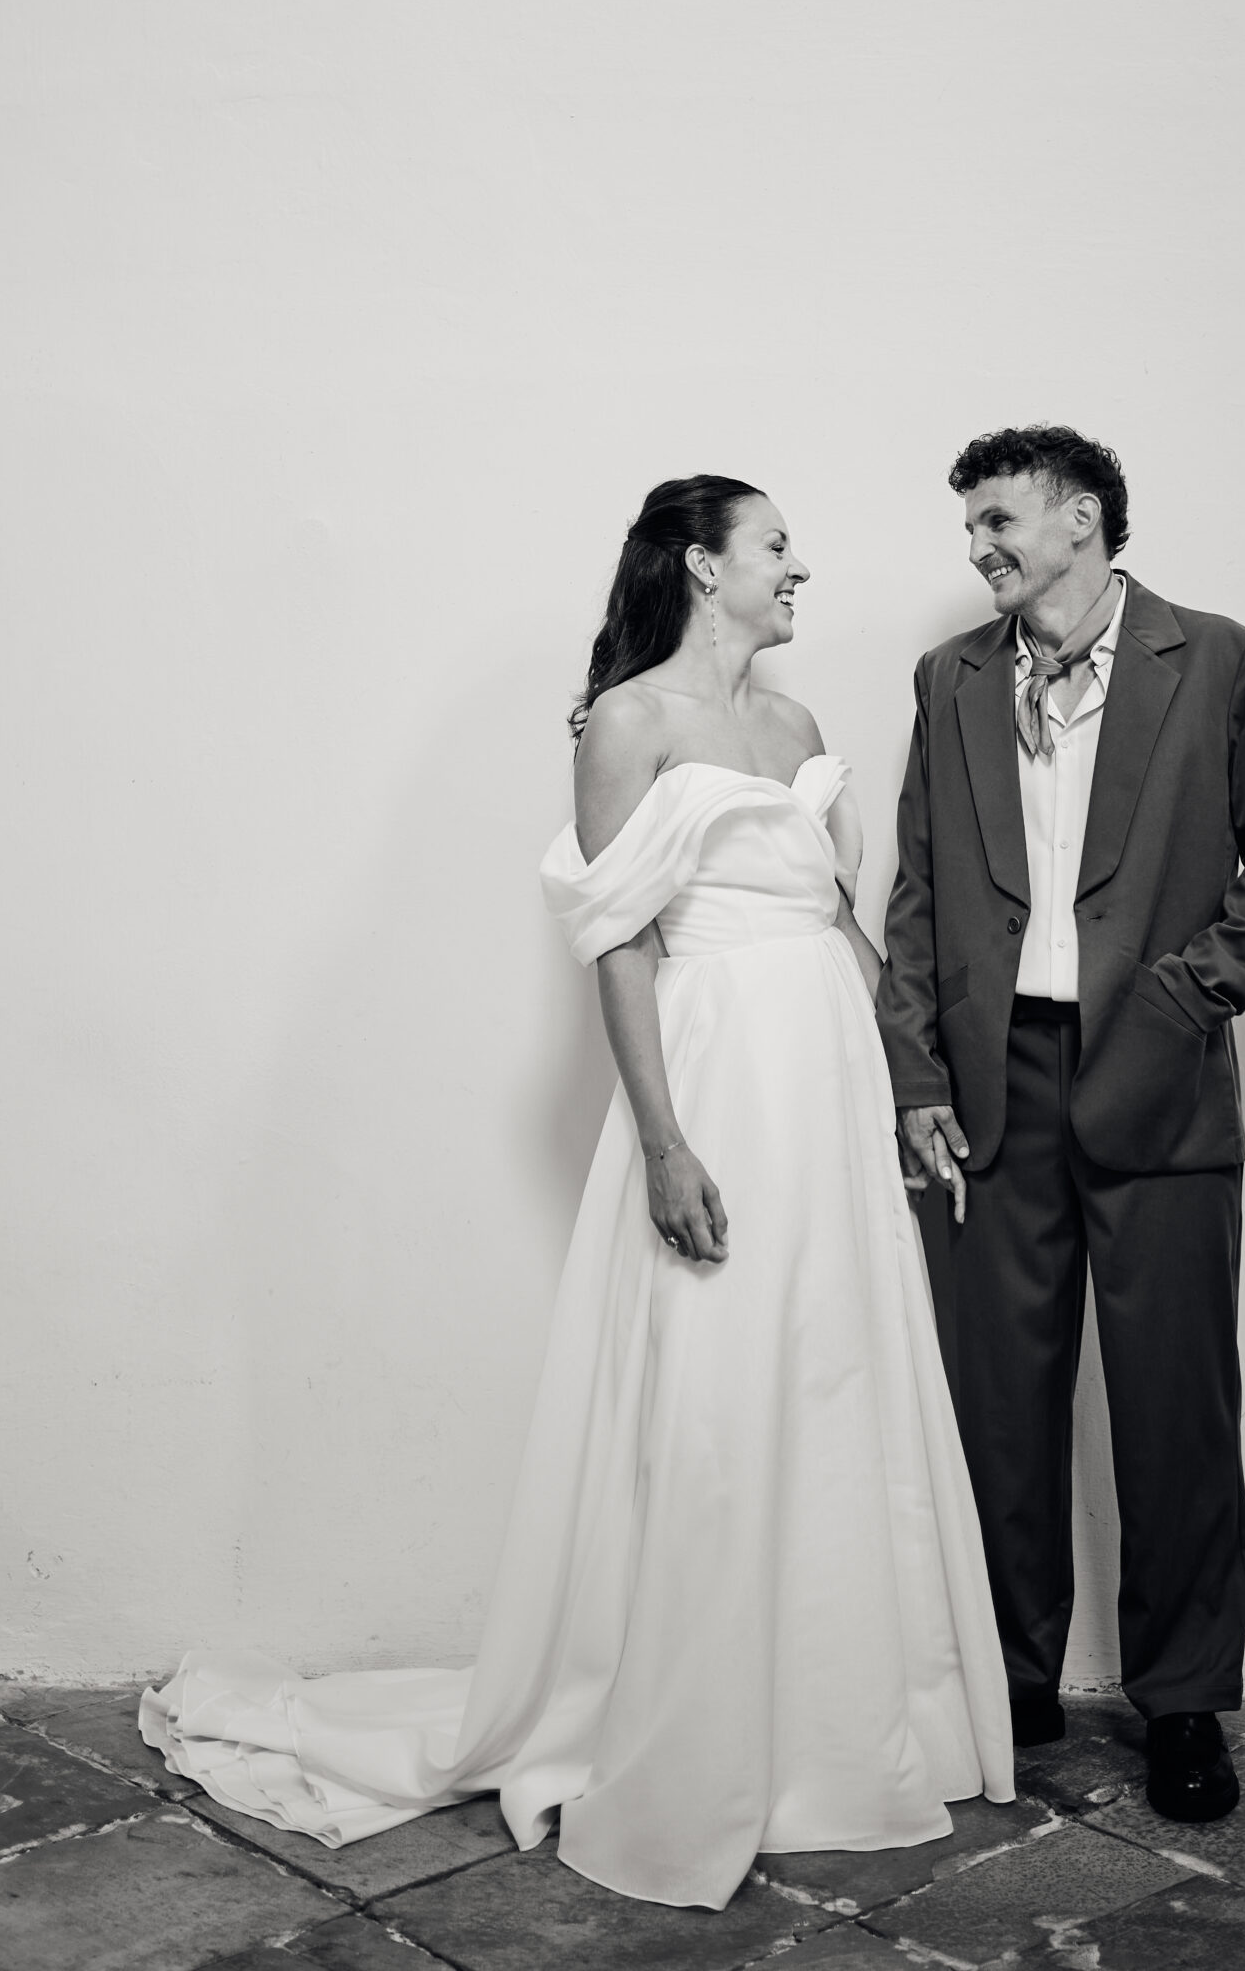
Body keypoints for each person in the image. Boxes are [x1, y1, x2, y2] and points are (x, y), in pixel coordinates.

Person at [142, 474, 1014, 1910]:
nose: (799, 568)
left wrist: (910, 1087)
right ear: (703, 566)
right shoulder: (628, 723)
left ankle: (836, 1724)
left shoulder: (799, 727)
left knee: (835, 1373)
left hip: (830, 1087)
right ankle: (699, 1733)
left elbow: (841, 927)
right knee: (718, 1395)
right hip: (721, 1077)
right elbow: (618, 943)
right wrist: (666, 1144)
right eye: (776, 546)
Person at [877, 426, 1245, 1825]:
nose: (979, 547)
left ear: (1081, 519)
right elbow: (918, 890)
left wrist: (1190, 994)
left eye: (999, 519)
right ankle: (1011, 1678)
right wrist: (917, 1077)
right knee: (998, 1405)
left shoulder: (1221, 658)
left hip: (1159, 1076)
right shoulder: (951, 678)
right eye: (971, 526)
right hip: (993, 1083)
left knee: (1176, 1405)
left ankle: (1183, 1699)